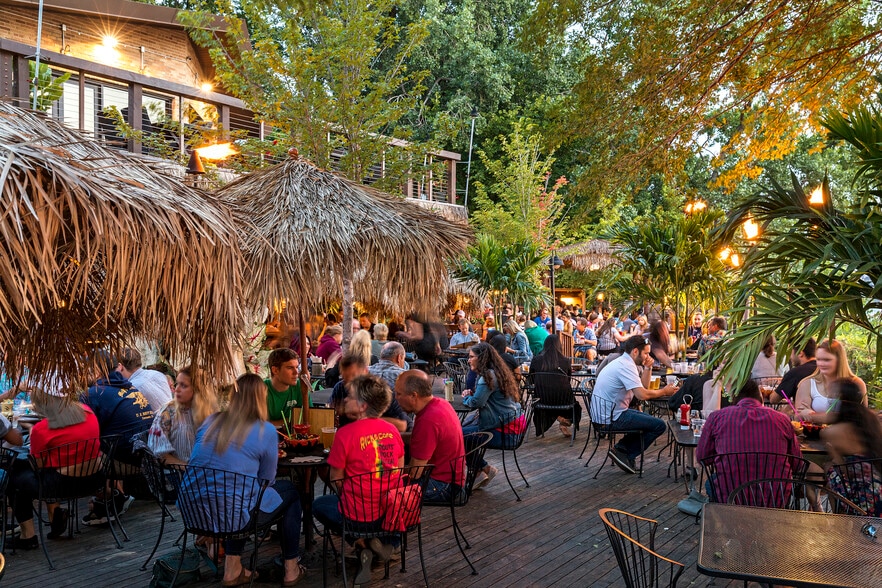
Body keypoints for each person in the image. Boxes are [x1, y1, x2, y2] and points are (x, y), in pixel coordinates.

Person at [186, 373, 305, 586]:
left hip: (193, 511)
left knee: (238, 494)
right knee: (291, 494)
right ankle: (291, 568)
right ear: (261, 398)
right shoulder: (265, 430)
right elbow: (266, 481)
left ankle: (233, 568)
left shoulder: (211, 421)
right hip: (230, 514)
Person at [313, 375, 405, 584]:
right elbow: (398, 473)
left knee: (319, 505)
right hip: (390, 514)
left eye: (350, 397)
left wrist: (355, 492)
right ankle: (373, 544)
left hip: (358, 517)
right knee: (353, 504)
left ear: (362, 406)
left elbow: (336, 480)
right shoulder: (393, 431)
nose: (345, 400)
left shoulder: (345, 434)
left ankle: (363, 542)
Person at [11, 390, 100, 548]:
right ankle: (54, 516)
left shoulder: (42, 428)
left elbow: (37, 466)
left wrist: (32, 432)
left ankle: (28, 536)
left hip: (61, 485)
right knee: (49, 466)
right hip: (94, 478)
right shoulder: (88, 412)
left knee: (15, 474)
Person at [695, 379, 802, 503]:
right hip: (775, 499)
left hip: (731, 497)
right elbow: (797, 464)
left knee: (711, 482)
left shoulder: (717, 417)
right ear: (761, 397)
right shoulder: (782, 419)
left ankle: (723, 519)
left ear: (734, 399)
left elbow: (703, 458)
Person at [592, 335, 677, 474]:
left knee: (648, 420)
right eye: (646, 353)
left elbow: (643, 386)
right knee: (659, 425)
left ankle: (622, 450)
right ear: (635, 351)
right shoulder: (626, 366)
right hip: (610, 418)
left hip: (609, 413)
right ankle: (623, 451)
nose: (648, 356)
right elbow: (642, 395)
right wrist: (664, 391)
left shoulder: (624, 362)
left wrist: (648, 368)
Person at [461, 343, 524, 488]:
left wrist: (467, 398)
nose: (468, 360)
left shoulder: (488, 376)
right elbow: (480, 398)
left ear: (481, 358)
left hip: (505, 432)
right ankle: (483, 469)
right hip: (511, 425)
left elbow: (476, 402)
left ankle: (481, 470)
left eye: (471, 357)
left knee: (458, 436)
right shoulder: (496, 372)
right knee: (463, 432)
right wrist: (472, 395)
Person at [395, 370, 465, 501]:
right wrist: (394, 437)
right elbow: (421, 439)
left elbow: (414, 473)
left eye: (399, 394)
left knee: (380, 490)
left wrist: (387, 473)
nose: (396, 398)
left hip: (442, 485)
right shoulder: (440, 403)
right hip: (452, 479)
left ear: (413, 396)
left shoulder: (428, 421)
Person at [823, 378, 882, 516]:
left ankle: (841, 525)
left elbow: (840, 468)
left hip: (861, 500)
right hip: (879, 490)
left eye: (832, 395)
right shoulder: (872, 421)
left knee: (830, 471)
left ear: (840, 399)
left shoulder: (833, 432)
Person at [147, 366, 217, 465]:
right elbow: (159, 455)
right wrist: (188, 469)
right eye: (177, 384)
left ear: (198, 390)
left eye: (183, 386)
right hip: (175, 473)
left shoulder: (210, 413)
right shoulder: (167, 413)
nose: (177, 389)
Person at [332, 354, 410, 432]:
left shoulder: (381, 391)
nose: (348, 383)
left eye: (353, 377)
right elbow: (329, 415)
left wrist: (366, 419)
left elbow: (402, 425)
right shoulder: (340, 388)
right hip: (349, 437)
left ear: (365, 371)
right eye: (345, 378)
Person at [795, 339, 868, 424]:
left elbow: (859, 417)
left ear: (839, 360)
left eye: (826, 360)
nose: (821, 364)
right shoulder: (807, 383)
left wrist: (812, 415)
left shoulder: (856, 383)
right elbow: (799, 416)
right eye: (818, 359)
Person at [529, 335, 582, 437]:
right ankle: (563, 419)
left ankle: (559, 418)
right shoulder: (565, 361)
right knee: (575, 407)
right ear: (559, 345)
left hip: (542, 400)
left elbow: (531, 380)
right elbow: (568, 380)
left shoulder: (536, 360)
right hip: (564, 400)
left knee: (550, 400)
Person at [264, 348, 305, 426]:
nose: (296, 372)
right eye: (290, 368)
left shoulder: (300, 386)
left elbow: (306, 418)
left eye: (297, 367)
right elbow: (256, 425)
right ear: (275, 370)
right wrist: (290, 421)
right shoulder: (261, 389)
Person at [773, 338, 817, 404]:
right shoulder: (823, 368)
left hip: (802, 413)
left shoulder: (795, 373)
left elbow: (773, 399)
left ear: (800, 353)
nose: (790, 356)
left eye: (790, 352)